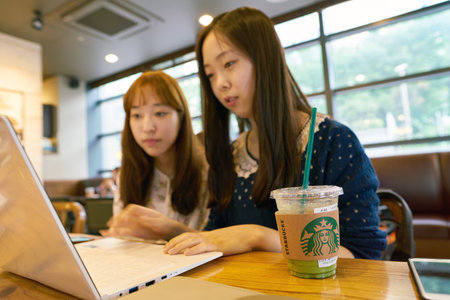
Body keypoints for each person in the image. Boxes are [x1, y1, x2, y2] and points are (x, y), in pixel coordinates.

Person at [163, 7, 387, 259]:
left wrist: (255, 236)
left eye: (229, 63)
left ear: (269, 57)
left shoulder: (333, 141)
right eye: (210, 74)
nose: (220, 83)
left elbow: (363, 255)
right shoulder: (232, 154)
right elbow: (216, 237)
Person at [103, 70, 209, 241]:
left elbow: (222, 240)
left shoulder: (208, 169)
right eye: (137, 115)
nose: (147, 127)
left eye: (160, 113)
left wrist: (173, 230)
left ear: (181, 117)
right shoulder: (128, 174)